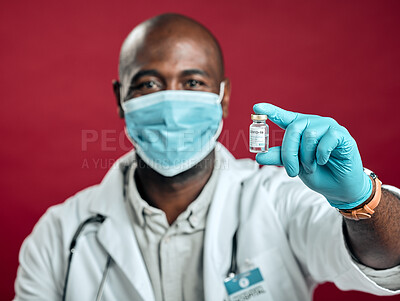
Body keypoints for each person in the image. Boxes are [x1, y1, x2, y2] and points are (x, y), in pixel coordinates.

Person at [14, 13, 400, 301]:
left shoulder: (279, 199)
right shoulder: (60, 234)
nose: (171, 104)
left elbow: (390, 262)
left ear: (224, 96)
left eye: (193, 82)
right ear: (120, 99)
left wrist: (361, 199)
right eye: (148, 83)